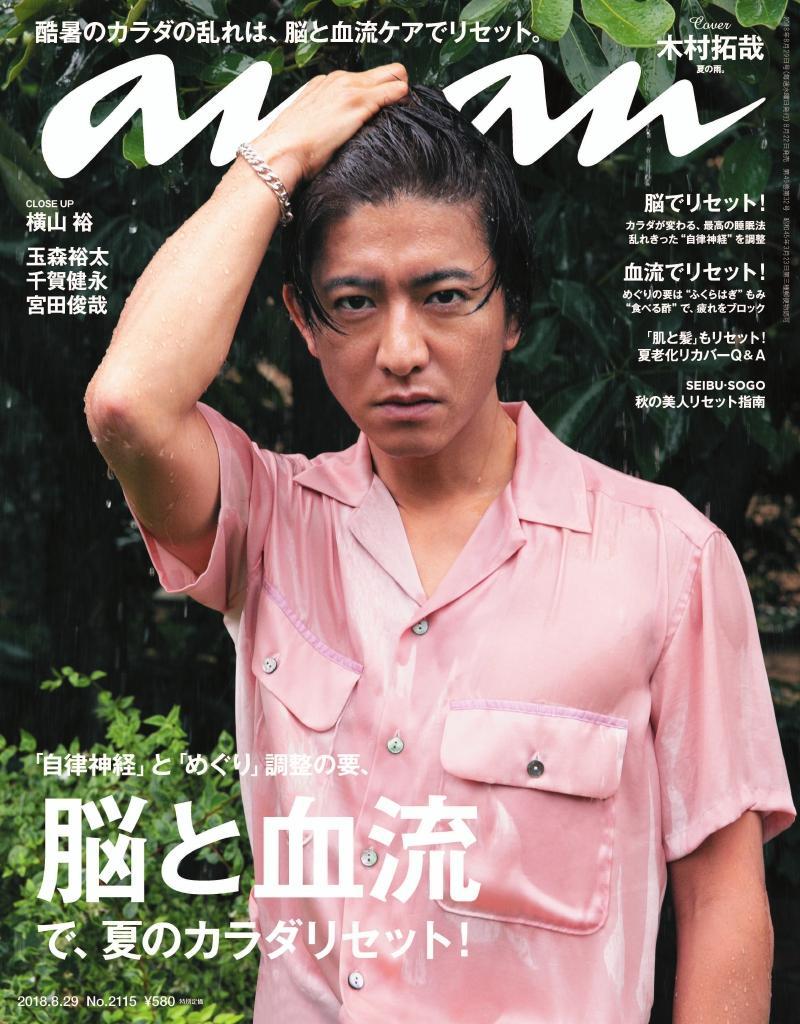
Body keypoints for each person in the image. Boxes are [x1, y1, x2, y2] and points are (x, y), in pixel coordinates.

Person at [85, 63, 796, 1023]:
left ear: (513, 311)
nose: (401, 350)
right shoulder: (271, 523)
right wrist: (272, 157)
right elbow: (128, 404)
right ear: (304, 322)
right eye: (354, 302)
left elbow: (722, 899)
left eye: (446, 295)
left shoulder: (667, 559)